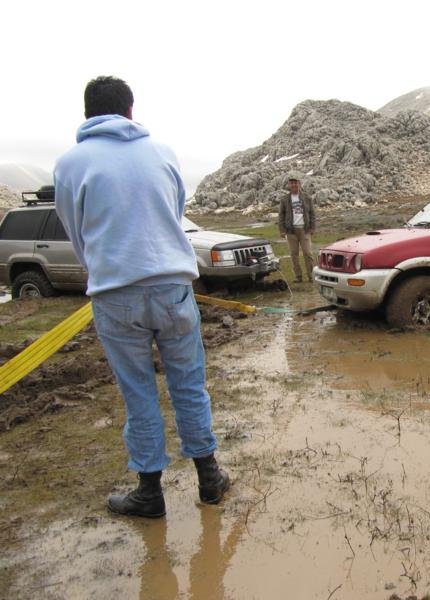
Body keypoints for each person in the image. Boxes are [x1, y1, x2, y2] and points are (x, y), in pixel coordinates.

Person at [54, 76, 229, 518]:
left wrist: (102, 268)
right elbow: (174, 212)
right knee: (189, 385)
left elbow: (74, 229)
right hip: (173, 287)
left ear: (87, 113)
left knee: (138, 392)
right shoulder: (163, 152)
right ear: (130, 110)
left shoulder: (71, 163)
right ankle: (209, 478)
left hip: (116, 293)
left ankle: (150, 493)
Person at [278, 172, 316, 283]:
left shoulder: (307, 197)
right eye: (292, 183)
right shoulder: (285, 199)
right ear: (289, 185)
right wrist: (282, 230)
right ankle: (298, 277)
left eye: (296, 182)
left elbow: (312, 213)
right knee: (294, 254)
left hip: (305, 230)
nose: (294, 185)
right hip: (291, 231)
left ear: (299, 184)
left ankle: (311, 276)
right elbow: (281, 215)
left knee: (308, 253)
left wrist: (312, 227)